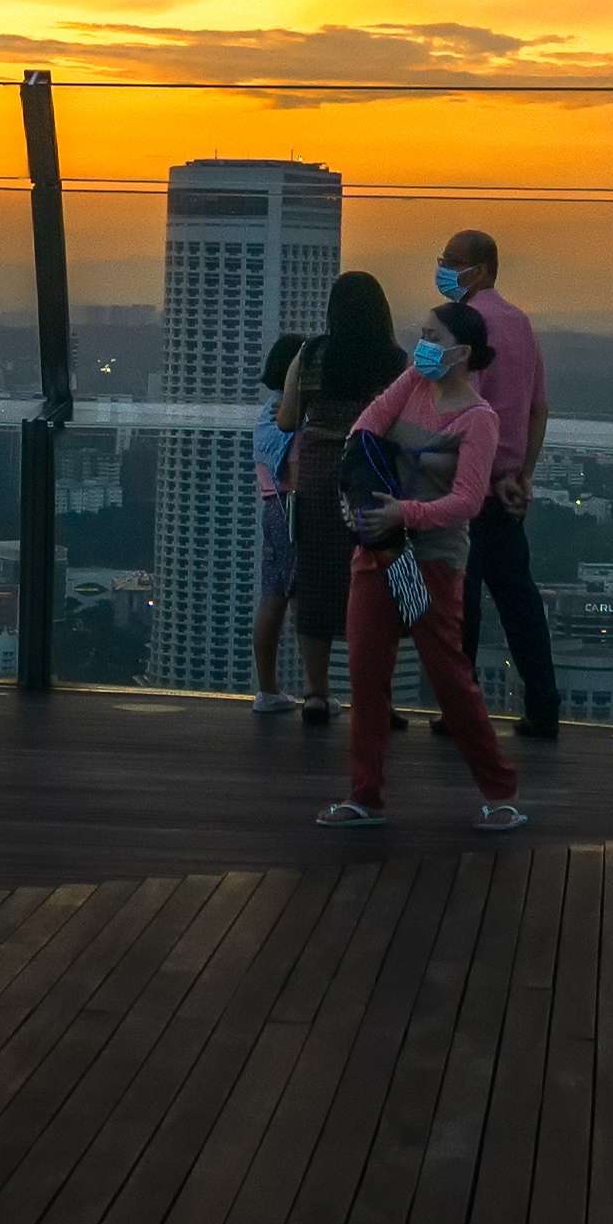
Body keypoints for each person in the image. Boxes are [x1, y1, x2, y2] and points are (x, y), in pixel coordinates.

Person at [318, 301, 527, 832]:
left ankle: (499, 792)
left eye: (433, 335)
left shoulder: (479, 419)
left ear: (460, 351)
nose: (422, 343)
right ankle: (365, 795)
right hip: (380, 550)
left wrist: (402, 510)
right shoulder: (411, 383)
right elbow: (365, 429)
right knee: (367, 675)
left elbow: (467, 502)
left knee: (448, 678)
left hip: (428, 561)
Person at [437, 228, 563, 738]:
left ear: (481, 269)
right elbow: (539, 408)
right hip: (508, 489)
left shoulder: (468, 326)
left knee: (459, 605)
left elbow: (466, 412)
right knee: (519, 604)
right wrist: (523, 475)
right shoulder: (522, 323)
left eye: (453, 261)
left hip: (469, 487)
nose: (444, 267)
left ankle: (461, 710)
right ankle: (543, 705)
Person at [268, 273, 394, 726]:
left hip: (320, 474)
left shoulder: (312, 353)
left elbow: (286, 420)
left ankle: (316, 693)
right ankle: (377, 697)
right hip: (374, 475)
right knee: (378, 585)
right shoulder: (394, 361)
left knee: (316, 581)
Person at [246, 332, 305, 712]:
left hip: (272, 511)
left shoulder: (267, 413)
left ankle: (268, 689)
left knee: (272, 597)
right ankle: (315, 689)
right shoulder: (295, 419)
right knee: (302, 600)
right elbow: (298, 476)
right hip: (295, 512)